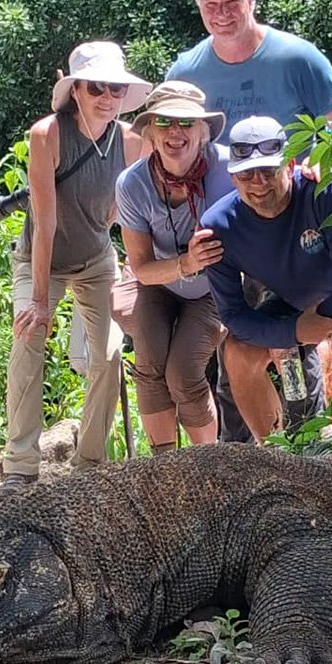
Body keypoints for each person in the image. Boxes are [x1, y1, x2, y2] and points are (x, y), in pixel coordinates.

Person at [166, 0, 332, 441]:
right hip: (228, 232)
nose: (221, 10)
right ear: (199, 6)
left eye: (231, 0)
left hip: (293, 221)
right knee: (237, 350)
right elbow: (166, 138)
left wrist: (326, 169)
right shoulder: (188, 68)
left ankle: (309, 448)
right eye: (211, 1)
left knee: (296, 344)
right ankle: (248, 460)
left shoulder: (295, 56)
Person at [0, 41, 151, 505]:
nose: (107, 97)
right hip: (40, 257)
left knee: (108, 352)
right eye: (97, 87)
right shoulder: (47, 134)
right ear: (76, 90)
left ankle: (90, 466)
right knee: (28, 337)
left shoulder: (132, 140)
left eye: (116, 89)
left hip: (97, 259)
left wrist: (132, 262)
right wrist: (40, 301)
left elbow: (131, 209)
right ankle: (20, 468)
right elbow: (45, 223)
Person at [199, 116, 332, 442]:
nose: (258, 183)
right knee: (239, 352)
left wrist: (318, 320)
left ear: (291, 163)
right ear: (232, 176)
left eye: (268, 171)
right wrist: (293, 330)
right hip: (304, 299)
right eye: (246, 174)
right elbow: (233, 316)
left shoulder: (325, 192)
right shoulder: (217, 227)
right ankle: (279, 454)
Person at [110, 82, 233, 453]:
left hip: (215, 288)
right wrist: (186, 262)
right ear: (149, 132)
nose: (175, 132)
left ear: (204, 131)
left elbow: (277, 185)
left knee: (182, 372)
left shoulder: (230, 168)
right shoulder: (132, 185)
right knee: (149, 363)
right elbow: (142, 267)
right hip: (159, 284)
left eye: (186, 122)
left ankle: (206, 467)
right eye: (164, 122)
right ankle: (164, 470)